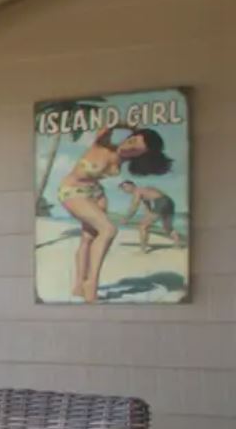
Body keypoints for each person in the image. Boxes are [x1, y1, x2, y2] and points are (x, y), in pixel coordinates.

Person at [57, 126, 173, 301]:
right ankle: (92, 284)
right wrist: (130, 127)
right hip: (71, 190)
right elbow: (106, 128)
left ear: (138, 156)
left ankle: (79, 286)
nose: (129, 146)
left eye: (135, 149)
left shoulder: (122, 161)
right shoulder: (103, 144)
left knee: (88, 238)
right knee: (109, 230)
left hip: (96, 193)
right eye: (131, 140)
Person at [119, 180, 184, 253]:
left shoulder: (137, 191)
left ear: (132, 185)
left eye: (125, 187)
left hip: (161, 202)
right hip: (169, 202)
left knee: (142, 226)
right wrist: (148, 217)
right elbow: (148, 206)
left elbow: (134, 207)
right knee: (167, 227)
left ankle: (143, 249)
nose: (124, 189)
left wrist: (126, 218)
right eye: (122, 188)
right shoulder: (145, 190)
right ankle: (178, 245)